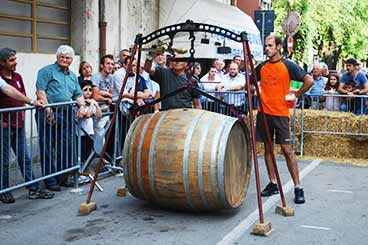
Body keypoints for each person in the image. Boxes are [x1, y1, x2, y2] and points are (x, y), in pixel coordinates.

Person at [254, 35, 314, 204]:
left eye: (270, 45)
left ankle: (298, 187)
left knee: (287, 151)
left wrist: (296, 94)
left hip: (280, 114)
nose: (267, 48)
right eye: (266, 45)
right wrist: (251, 85)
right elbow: (250, 81)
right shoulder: (262, 66)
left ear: (279, 47)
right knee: (268, 149)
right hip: (263, 113)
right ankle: (273, 183)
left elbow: (308, 81)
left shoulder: (288, 65)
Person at [0, 48, 54, 203]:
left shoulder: (17, 77)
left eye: (15, 59)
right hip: (4, 125)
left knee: (26, 158)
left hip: (18, 123)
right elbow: (8, 90)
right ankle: (4, 191)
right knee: (4, 161)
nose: (15, 62)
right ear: (2, 63)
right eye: (11, 60)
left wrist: (25, 110)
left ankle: (33, 188)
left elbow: (19, 95)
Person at [36, 45, 86, 191]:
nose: (64, 59)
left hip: (66, 114)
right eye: (62, 57)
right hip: (48, 113)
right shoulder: (46, 71)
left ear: (71, 60)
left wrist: (82, 106)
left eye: (68, 57)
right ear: (57, 57)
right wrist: (47, 108)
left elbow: (78, 94)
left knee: (66, 146)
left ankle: (62, 178)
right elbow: (40, 91)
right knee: (47, 147)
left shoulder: (72, 76)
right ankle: (50, 181)